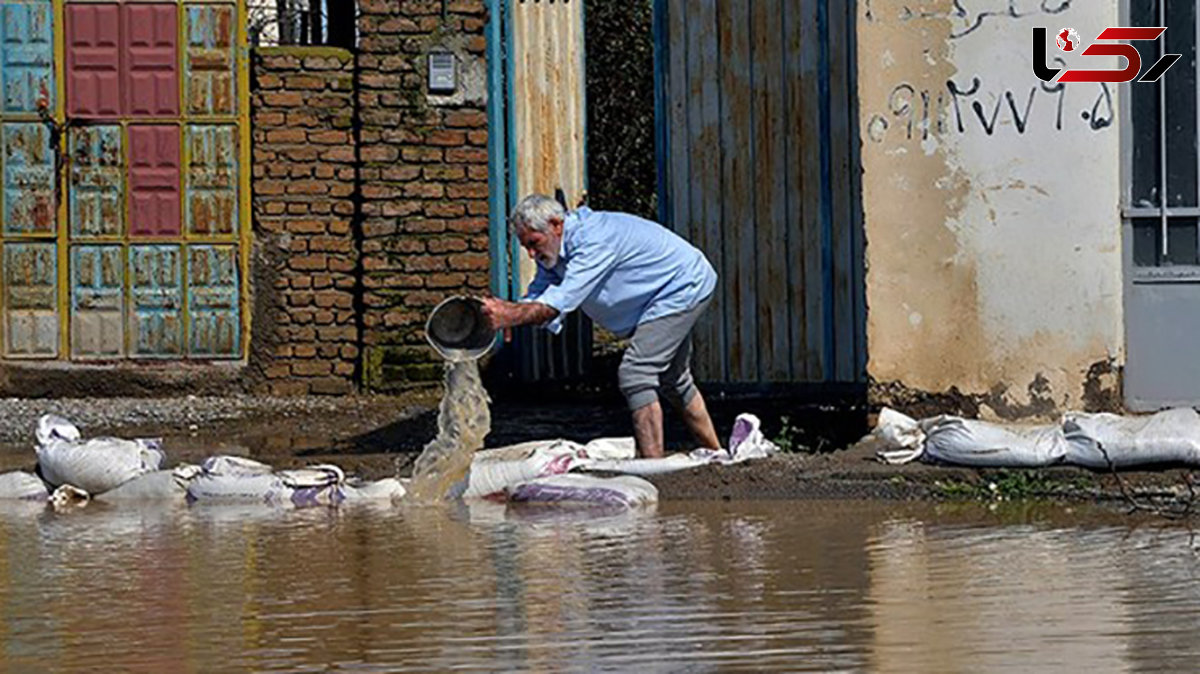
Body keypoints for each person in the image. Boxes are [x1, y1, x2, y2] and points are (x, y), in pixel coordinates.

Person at [480, 194, 722, 458]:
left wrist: (512, 315)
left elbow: (557, 303)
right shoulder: (554, 251)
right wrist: (511, 312)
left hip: (680, 286)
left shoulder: (593, 241)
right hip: (658, 296)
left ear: (556, 225)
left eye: (534, 244)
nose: (531, 254)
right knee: (674, 380)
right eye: (526, 246)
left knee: (636, 373)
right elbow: (540, 293)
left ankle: (654, 469)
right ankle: (717, 454)